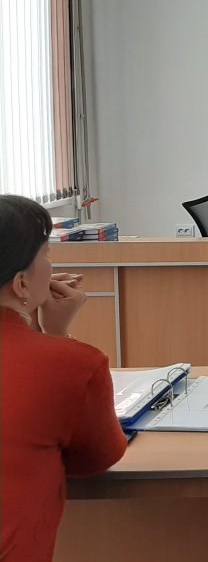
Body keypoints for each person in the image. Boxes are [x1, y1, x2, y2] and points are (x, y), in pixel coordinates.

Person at [1, 195, 127, 560]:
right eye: (47, 255)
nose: (52, 265)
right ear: (21, 284)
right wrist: (56, 337)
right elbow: (96, 459)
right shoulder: (74, 364)